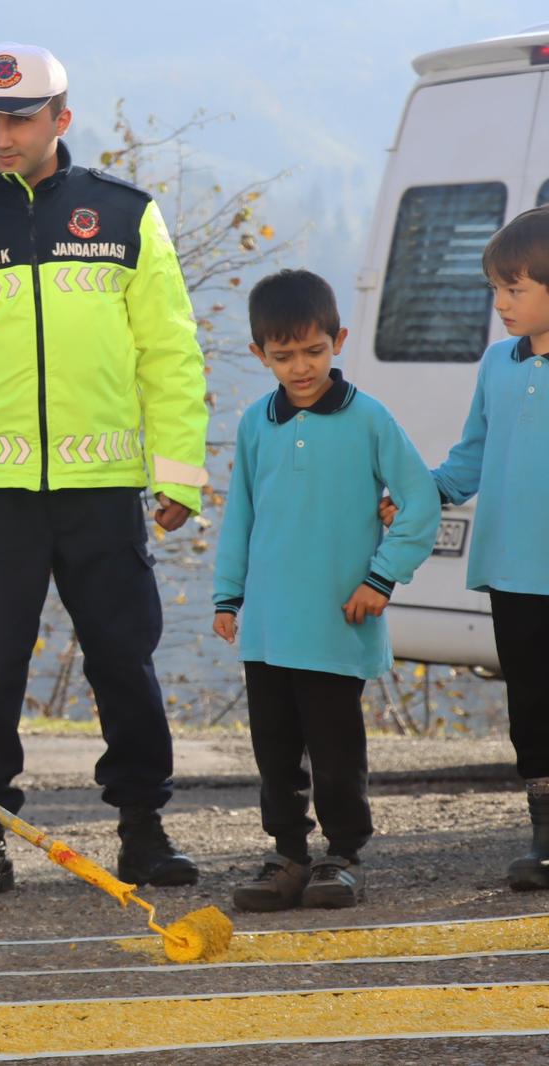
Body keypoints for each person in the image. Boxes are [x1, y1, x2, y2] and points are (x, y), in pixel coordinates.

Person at [0, 41, 210, 896]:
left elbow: (169, 354)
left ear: (61, 118)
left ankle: (144, 829)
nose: (1, 134)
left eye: (19, 118)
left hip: (102, 487)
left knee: (122, 661)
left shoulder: (128, 215)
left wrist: (177, 476)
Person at [213, 270, 438, 912]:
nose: (301, 366)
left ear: (337, 340)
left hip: (338, 623)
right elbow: (241, 515)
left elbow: (418, 501)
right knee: (275, 752)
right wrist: (228, 597)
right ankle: (288, 855)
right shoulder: (257, 423)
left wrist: (380, 578)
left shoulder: (369, 418)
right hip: (268, 629)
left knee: (338, 751)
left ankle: (342, 856)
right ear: (260, 355)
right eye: (284, 356)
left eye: (314, 351)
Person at [395, 207, 549, 891]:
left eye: (515, 289)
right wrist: (405, 492)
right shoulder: (495, 364)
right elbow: (467, 464)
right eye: (495, 289)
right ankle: (545, 836)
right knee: (533, 711)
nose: (501, 305)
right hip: (513, 572)